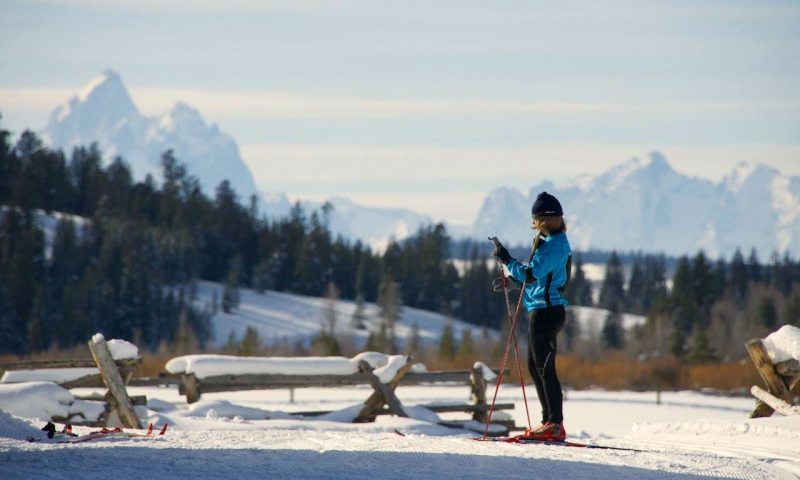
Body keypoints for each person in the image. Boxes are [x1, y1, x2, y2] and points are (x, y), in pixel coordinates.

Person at [492, 191, 572, 442]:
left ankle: (555, 424)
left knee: (544, 367)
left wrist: (507, 261)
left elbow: (532, 274)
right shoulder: (548, 242)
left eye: (535, 218)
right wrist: (513, 282)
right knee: (536, 367)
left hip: (547, 312)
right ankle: (549, 421)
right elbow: (541, 278)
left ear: (544, 219)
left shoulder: (556, 244)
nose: (533, 222)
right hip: (541, 310)